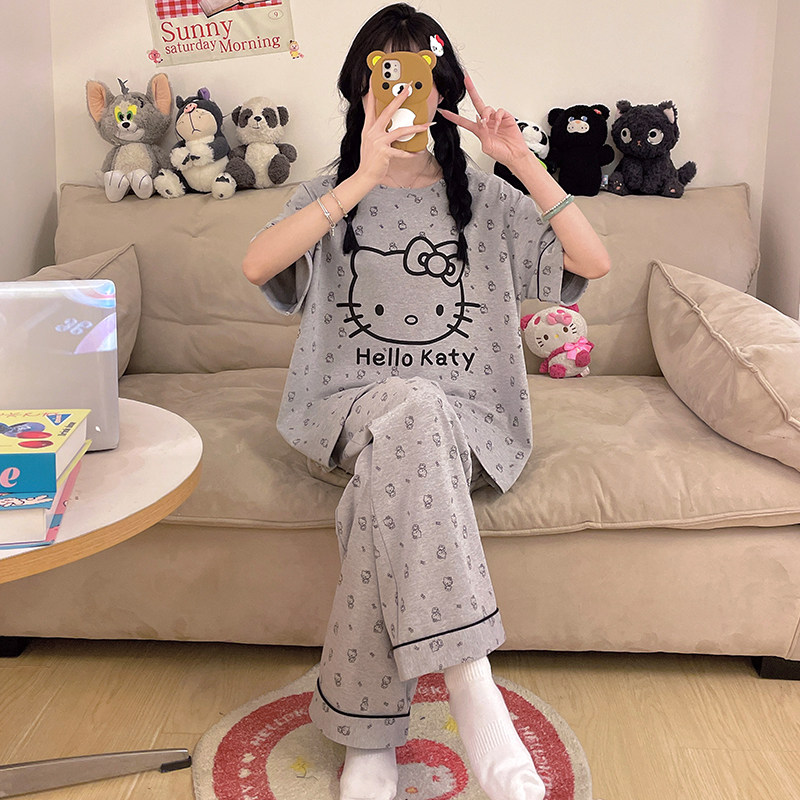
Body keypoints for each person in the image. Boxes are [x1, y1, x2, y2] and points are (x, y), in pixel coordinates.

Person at [243, 5, 609, 799]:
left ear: (442, 91)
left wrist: (519, 160)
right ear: (361, 90)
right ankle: (473, 684)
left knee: (398, 457)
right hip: (349, 412)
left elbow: (593, 261)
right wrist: (361, 179)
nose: (403, 96)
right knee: (409, 402)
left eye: (418, 79)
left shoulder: (484, 197)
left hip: (466, 427)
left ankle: (369, 745)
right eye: (386, 78)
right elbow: (256, 265)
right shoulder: (331, 192)